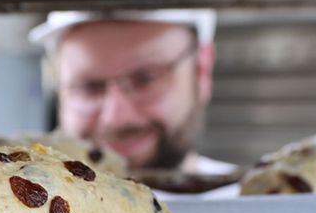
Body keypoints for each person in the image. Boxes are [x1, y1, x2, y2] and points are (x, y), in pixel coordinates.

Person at [29, 10, 232, 174]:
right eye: (89, 86)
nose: (115, 118)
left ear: (202, 71)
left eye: (145, 78)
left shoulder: (253, 209)